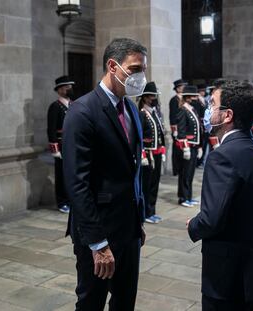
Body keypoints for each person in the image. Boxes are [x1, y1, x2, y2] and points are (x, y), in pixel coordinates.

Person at [62, 38, 147, 311]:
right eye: (134, 69)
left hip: (128, 229)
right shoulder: (82, 111)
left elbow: (130, 170)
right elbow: (77, 183)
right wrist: (98, 243)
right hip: (98, 232)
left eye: (143, 69)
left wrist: (138, 221)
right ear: (113, 66)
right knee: (92, 303)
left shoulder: (131, 108)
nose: (140, 77)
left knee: (125, 301)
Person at [186, 79, 253, 311]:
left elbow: (211, 219)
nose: (208, 110)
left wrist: (193, 225)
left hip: (230, 277)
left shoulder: (222, 156)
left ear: (227, 115)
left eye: (212, 104)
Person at [138, 81, 165, 224]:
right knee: (146, 185)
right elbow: (139, 137)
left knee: (155, 183)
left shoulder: (154, 113)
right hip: (148, 156)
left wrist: (163, 149)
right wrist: (142, 154)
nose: (154, 98)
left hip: (157, 153)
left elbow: (160, 134)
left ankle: (151, 211)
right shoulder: (142, 114)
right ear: (145, 98)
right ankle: (145, 213)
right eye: (152, 96)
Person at [47, 75, 75, 214]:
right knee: (61, 174)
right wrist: (55, 149)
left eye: (70, 86)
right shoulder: (55, 106)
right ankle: (62, 202)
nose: (70, 89)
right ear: (60, 90)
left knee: (72, 174)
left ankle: (70, 199)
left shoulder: (73, 104)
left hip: (73, 145)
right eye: (67, 87)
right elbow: (51, 129)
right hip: (61, 145)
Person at [176, 85, 203, 208]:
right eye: (192, 96)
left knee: (191, 173)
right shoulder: (183, 110)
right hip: (187, 147)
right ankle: (183, 197)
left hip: (193, 146)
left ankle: (189, 197)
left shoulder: (192, 109)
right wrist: (185, 147)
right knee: (185, 173)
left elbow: (197, 129)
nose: (194, 98)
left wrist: (199, 146)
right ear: (187, 97)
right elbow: (181, 131)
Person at [169, 79, 188, 176]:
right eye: (181, 86)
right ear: (177, 88)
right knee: (176, 148)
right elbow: (172, 116)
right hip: (176, 127)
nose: (183, 88)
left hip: (183, 127)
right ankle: (176, 168)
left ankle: (181, 166)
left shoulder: (184, 99)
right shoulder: (174, 100)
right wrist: (174, 130)